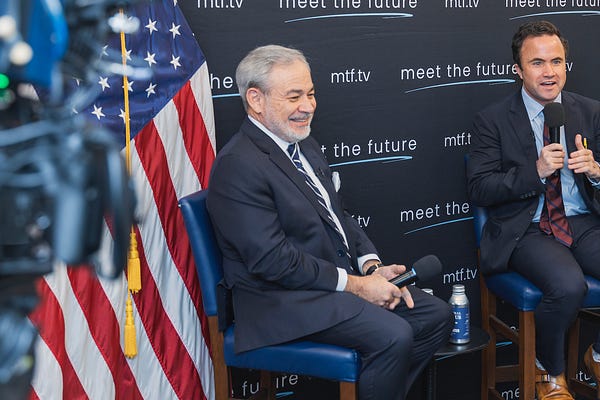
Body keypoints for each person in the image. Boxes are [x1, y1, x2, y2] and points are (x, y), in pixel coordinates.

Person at [206, 44, 453, 400]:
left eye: (310, 94)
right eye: (294, 96)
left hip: (324, 287)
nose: (308, 106)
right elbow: (272, 261)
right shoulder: (238, 166)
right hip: (278, 302)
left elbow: (339, 215)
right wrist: (357, 286)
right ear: (256, 100)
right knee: (393, 335)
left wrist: (371, 267)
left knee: (435, 316)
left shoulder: (304, 145)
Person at [467, 20, 600, 399]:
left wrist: (596, 172)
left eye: (556, 61)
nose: (549, 72)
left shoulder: (590, 111)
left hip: (581, 221)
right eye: (537, 63)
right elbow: (480, 188)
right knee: (568, 286)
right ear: (518, 69)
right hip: (526, 228)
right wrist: (535, 171)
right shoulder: (492, 120)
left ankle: (597, 356)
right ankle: (549, 371)